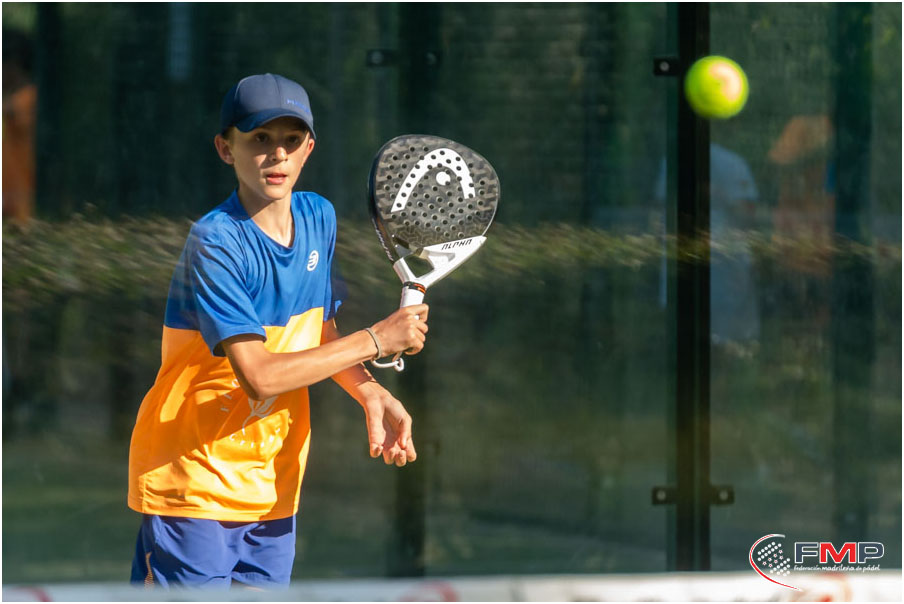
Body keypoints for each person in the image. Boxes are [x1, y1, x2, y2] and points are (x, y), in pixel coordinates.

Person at [127, 73, 428, 589]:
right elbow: (260, 377)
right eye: (260, 138)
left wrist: (369, 390)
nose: (278, 154)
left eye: (291, 139)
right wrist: (377, 339)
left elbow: (319, 331)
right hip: (192, 483)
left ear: (309, 148)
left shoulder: (318, 217)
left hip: (274, 488)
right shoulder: (216, 242)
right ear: (226, 149)